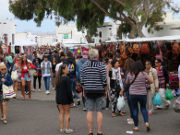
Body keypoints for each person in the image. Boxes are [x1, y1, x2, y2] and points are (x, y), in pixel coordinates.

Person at [81, 49, 107, 135]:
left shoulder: (84, 65)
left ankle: (90, 132)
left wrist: (84, 89)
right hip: (99, 90)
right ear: (97, 56)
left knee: (89, 110)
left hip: (88, 90)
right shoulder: (101, 65)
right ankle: (99, 132)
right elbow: (104, 80)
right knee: (99, 111)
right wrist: (105, 90)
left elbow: (82, 80)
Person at [126, 61, 152, 132]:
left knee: (134, 109)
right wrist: (145, 82)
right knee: (143, 108)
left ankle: (136, 126)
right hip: (143, 94)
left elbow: (127, 82)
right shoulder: (144, 74)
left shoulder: (130, 74)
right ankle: (146, 122)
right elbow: (151, 81)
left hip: (133, 94)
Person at [55, 64, 74, 134]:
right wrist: (71, 100)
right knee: (67, 113)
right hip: (65, 98)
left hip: (58, 98)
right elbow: (69, 91)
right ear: (63, 70)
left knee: (61, 113)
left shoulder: (58, 78)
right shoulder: (66, 78)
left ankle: (61, 128)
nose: (68, 69)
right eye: (67, 68)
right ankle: (67, 128)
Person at [123, 58, 135, 124]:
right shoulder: (136, 71)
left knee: (131, 105)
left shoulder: (127, 72)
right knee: (134, 105)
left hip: (129, 90)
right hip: (135, 89)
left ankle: (132, 118)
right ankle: (132, 117)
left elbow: (126, 82)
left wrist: (123, 89)